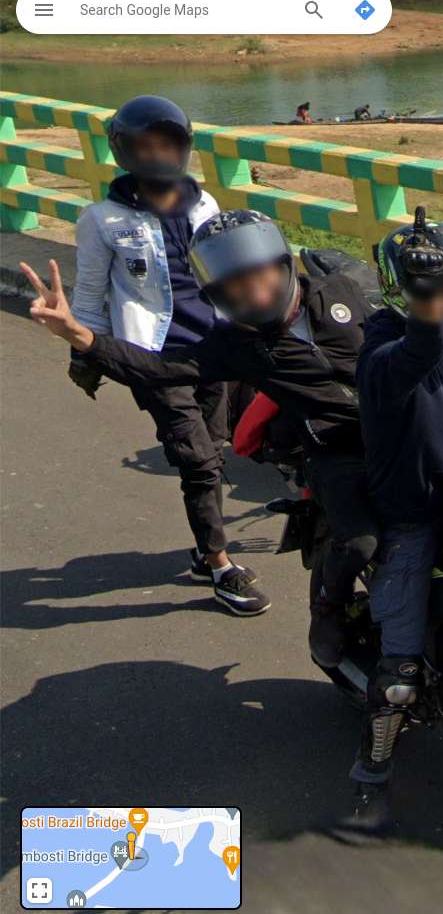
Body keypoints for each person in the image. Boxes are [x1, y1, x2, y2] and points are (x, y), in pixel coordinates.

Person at [21, 210, 381, 667]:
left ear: (282, 264)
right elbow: (158, 369)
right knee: (363, 540)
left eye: (260, 276)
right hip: (335, 449)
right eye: (236, 287)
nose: (254, 293)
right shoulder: (236, 344)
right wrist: (79, 335)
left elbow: (409, 323)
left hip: (400, 429)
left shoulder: (340, 290)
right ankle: (330, 606)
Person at [62, 94, 268, 615]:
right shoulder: (103, 219)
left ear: (183, 147)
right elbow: (89, 296)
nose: (157, 155)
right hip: (152, 356)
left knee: (214, 451)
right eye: (145, 146)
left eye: (167, 144)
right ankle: (221, 566)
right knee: (198, 461)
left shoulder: (204, 205)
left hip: (214, 348)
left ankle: (204, 547)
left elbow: (227, 274)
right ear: (125, 152)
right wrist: (86, 355)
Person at [343, 214, 443, 833]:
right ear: (409, 292)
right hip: (412, 514)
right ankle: (370, 774)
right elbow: (419, 351)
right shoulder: (383, 352)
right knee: (399, 672)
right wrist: (428, 302)